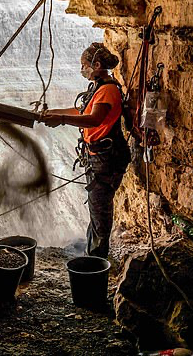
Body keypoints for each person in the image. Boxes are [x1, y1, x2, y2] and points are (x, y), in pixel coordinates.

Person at [40, 42, 131, 258]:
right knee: (96, 206)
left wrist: (61, 119)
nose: (82, 69)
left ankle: (97, 261)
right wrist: (52, 112)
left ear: (96, 65)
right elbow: (81, 110)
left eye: (84, 65)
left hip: (107, 158)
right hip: (98, 156)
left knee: (100, 209)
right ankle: (94, 255)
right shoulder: (98, 88)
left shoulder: (108, 90)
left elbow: (94, 119)